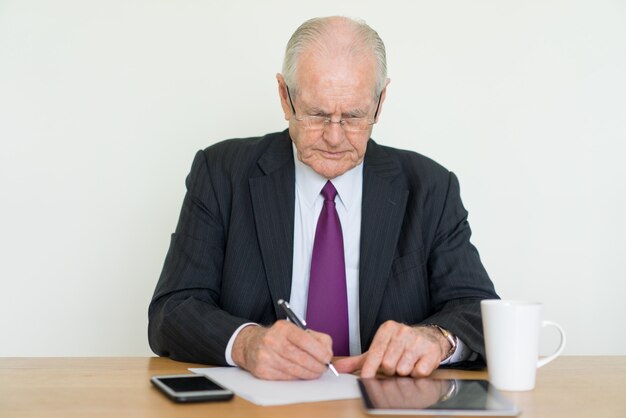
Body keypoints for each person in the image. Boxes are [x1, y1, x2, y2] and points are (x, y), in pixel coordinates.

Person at [148, 16, 498, 381]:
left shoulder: (431, 187)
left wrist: (436, 338)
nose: (334, 137)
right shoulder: (221, 173)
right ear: (285, 97)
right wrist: (246, 344)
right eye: (316, 114)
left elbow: (480, 313)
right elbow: (171, 311)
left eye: (353, 116)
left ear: (380, 103)